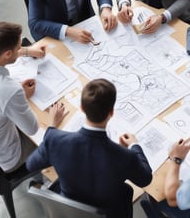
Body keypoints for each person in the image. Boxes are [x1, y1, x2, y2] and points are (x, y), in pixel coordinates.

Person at [26, 78, 152, 217]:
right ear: (111, 113)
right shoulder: (125, 156)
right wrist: (134, 145)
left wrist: (51, 129)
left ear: (82, 108)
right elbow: (145, 179)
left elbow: (31, 164)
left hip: (70, 209)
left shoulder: (55, 140)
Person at [0, 21, 65, 173]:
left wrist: (27, 51)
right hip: (9, 157)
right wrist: (53, 123)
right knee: (61, 135)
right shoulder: (10, 90)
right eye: (18, 47)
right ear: (7, 53)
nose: (20, 48)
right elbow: (32, 129)